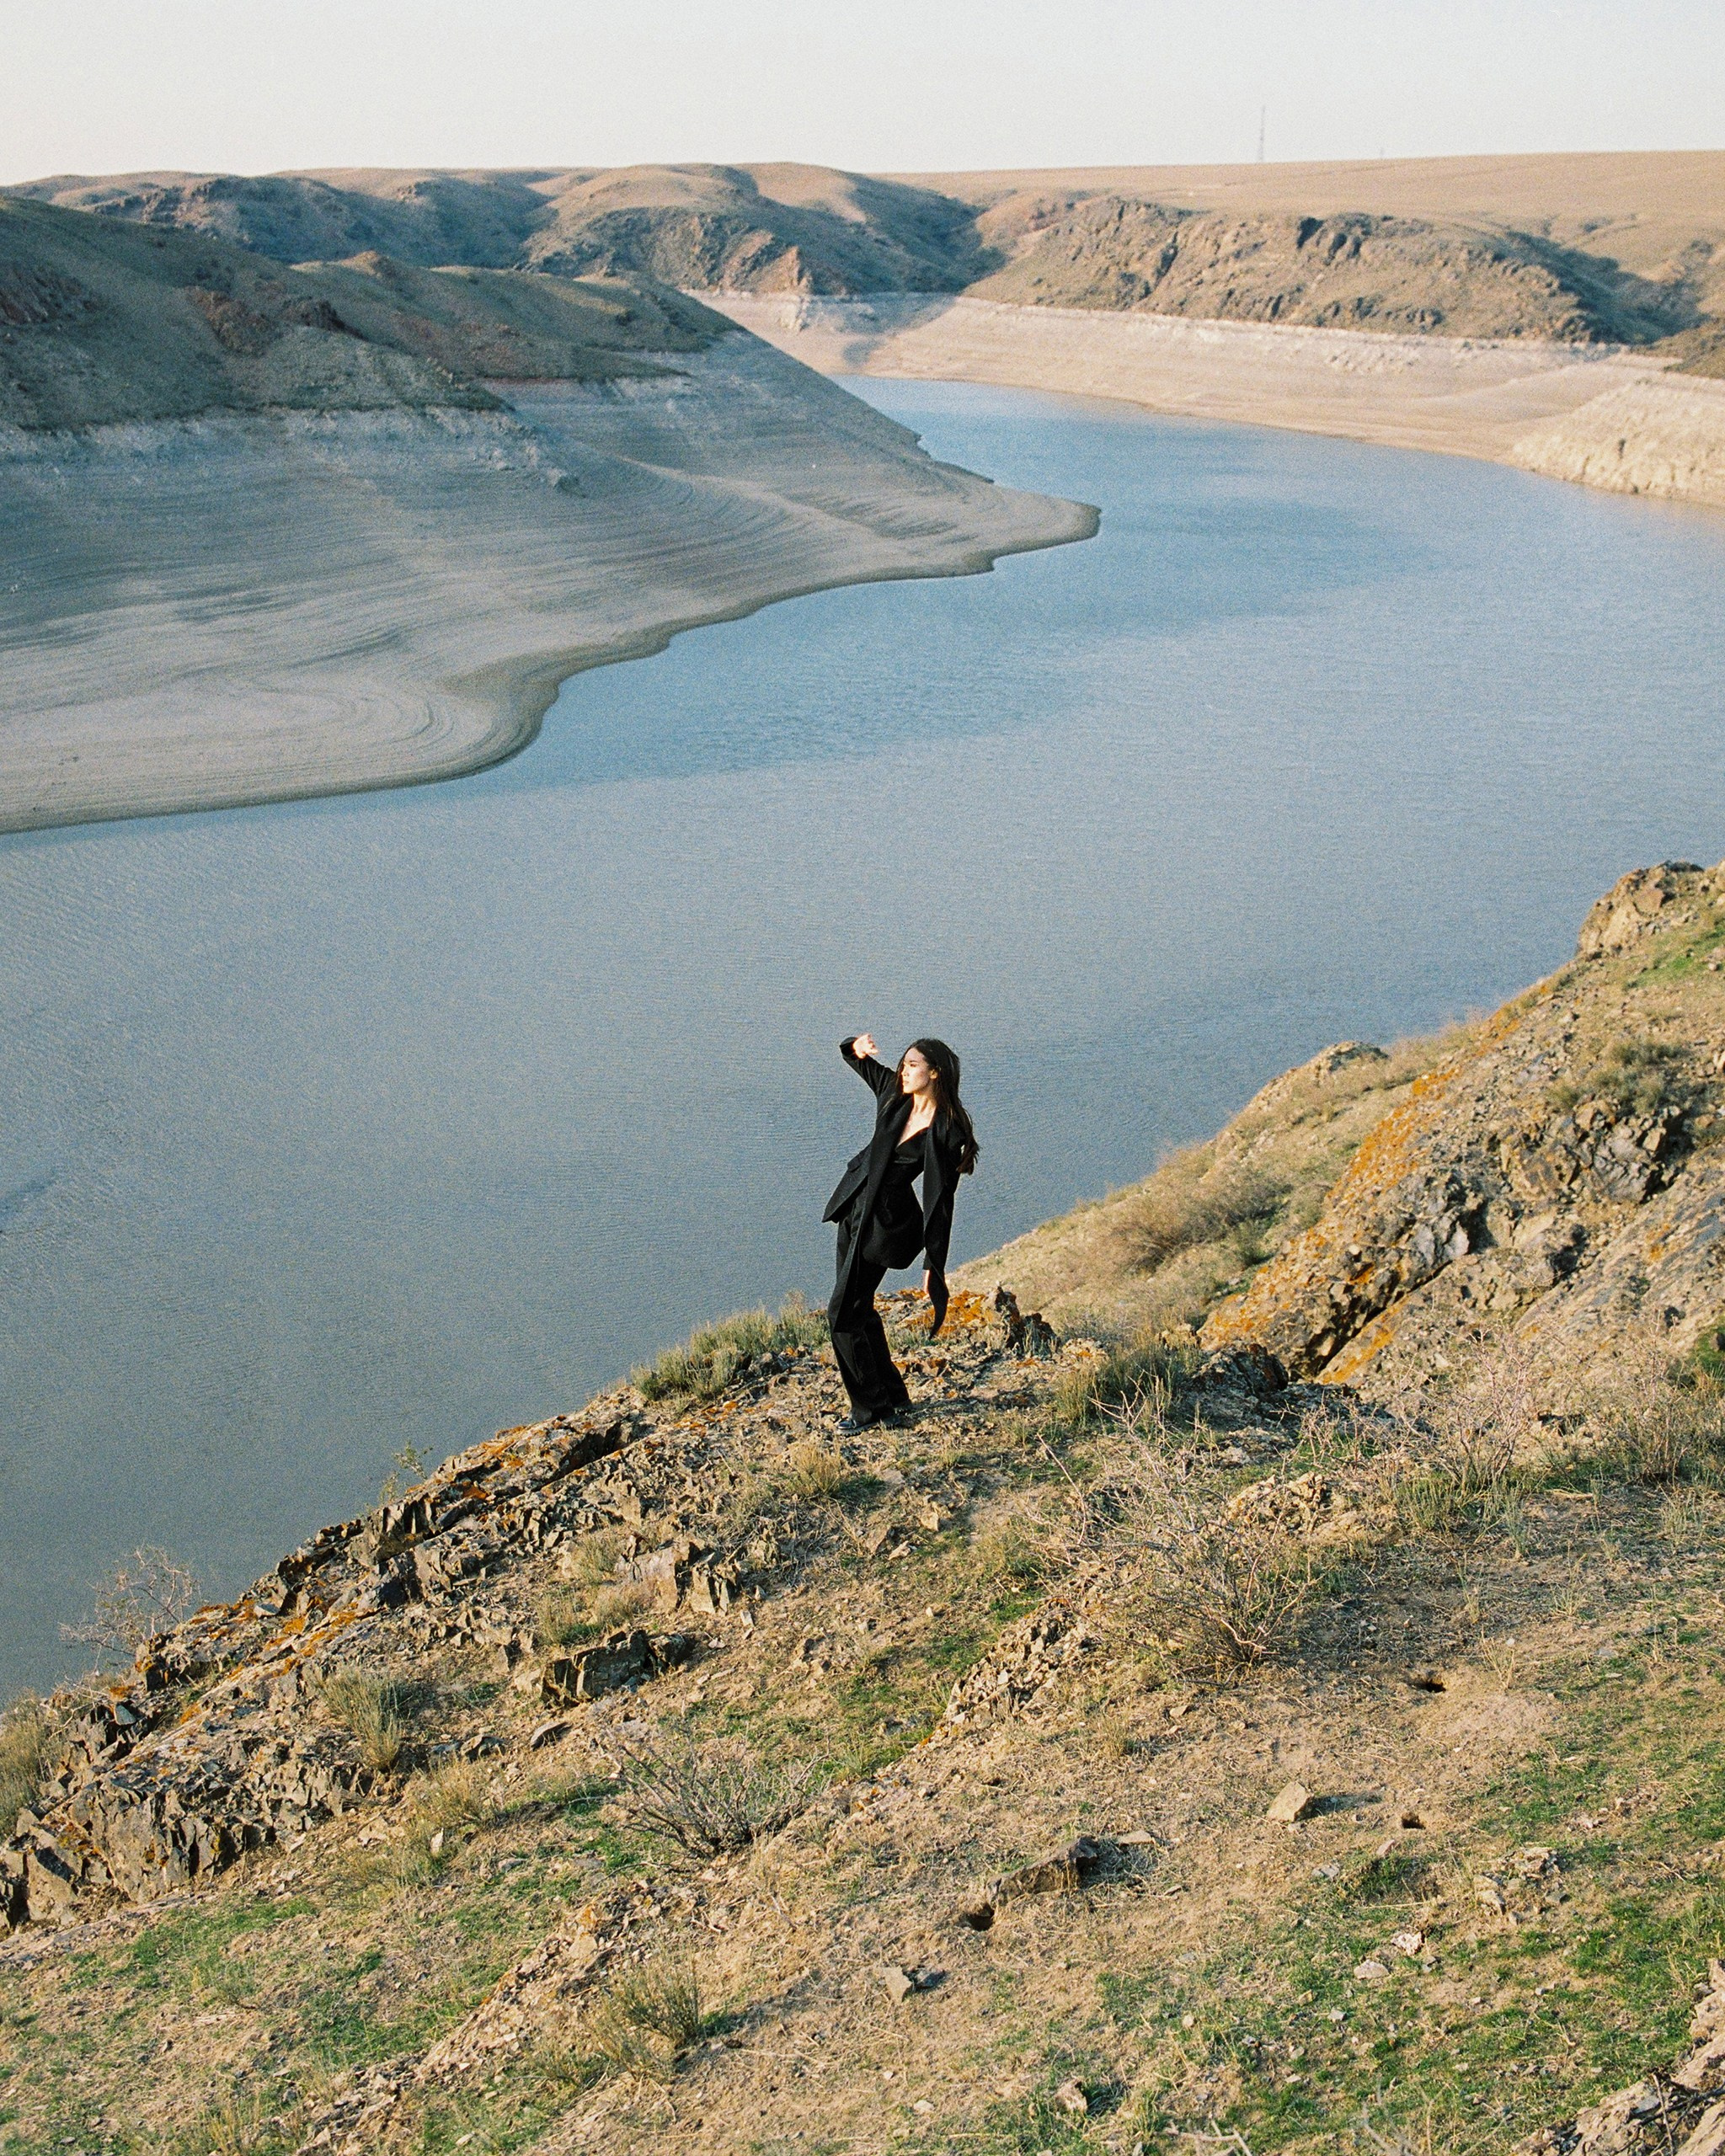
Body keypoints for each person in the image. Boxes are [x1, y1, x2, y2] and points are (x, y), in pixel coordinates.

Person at [823, 1033, 979, 1433]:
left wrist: (934, 1262)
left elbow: (941, 1200)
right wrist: (853, 1046)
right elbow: (857, 1061)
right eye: (903, 1064)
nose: (903, 1071)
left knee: (842, 1314)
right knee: (859, 1308)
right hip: (853, 1207)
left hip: (884, 1224)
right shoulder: (894, 1096)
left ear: (935, 1073)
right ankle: (892, 1395)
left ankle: (869, 1409)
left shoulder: (947, 1130)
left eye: (913, 1065)